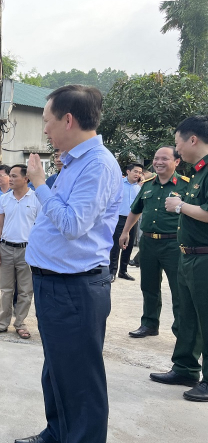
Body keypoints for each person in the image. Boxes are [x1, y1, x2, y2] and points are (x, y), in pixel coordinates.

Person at [20, 85, 123, 443]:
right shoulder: (75, 162)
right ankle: (58, 432)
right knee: (58, 370)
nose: (45, 129)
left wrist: (38, 184)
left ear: (68, 119)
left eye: (47, 121)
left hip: (75, 286)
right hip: (55, 283)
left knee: (80, 378)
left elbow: (72, 225)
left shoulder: (98, 164)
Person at [152, 115, 208, 402]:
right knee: (187, 316)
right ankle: (185, 368)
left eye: (178, 144)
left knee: (205, 319)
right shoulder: (197, 172)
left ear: (193, 139)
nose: (177, 151)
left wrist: (180, 206)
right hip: (188, 255)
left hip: (204, 258)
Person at [119, 147, 188, 339]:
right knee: (149, 286)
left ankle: (182, 331)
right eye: (156, 158)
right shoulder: (147, 185)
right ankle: (149, 324)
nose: (158, 162)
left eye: (164, 158)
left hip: (174, 244)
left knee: (178, 289)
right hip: (148, 244)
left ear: (177, 162)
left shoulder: (186, 186)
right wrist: (125, 232)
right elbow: (135, 210)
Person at [0, 164, 41, 340]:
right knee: (6, 289)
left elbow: (40, 227)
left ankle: (20, 323)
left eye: (15, 176)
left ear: (26, 179)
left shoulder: (36, 199)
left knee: (25, 290)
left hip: (27, 250)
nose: (11, 178)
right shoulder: (4, 199)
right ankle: (1, 323)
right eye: (11, 175)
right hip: (6, 248)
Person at [109, 163, 143, 282]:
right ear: (128, 171)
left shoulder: (140, 187)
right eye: (135, 171)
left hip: (132, 219)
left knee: (128, 246)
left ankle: (123, 271)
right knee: (116, 245)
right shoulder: (119, 184)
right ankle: (112, 271)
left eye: (139, 172)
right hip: (119, 218)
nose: (137, 174)